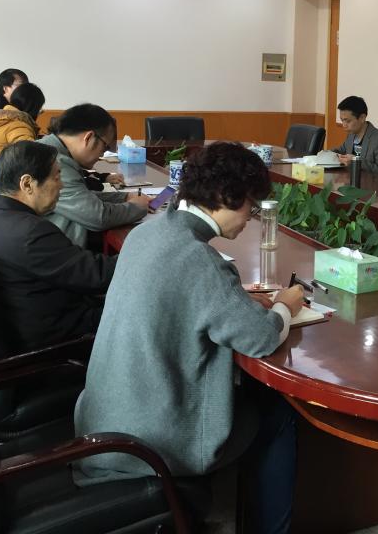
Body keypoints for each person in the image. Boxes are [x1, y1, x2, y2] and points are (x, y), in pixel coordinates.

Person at [74, 142, 306, 533]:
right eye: (250, 207)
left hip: (104, 418)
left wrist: (236, 300)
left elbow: (191, 297)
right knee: (279, 415)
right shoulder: (201, 261)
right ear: (226, 198)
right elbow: (262, 339)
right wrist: (285, 306)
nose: (250, 219)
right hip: (146, 442)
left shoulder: (148, 232)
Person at [0, 141, 116, 352]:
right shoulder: (29, 233)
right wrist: (145, 249)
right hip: (63, 342)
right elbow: (98, 276)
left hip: (29, 324)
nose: (61, 186)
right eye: (56, 177)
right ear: (27, 184)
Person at [38, 104, 150, 247]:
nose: (102, 154)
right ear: (88, 137)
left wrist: (124, 197)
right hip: (57, 252)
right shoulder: (55, 163)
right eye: (105, 147)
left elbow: (81, 196)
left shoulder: (49, 149)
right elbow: (98, 217)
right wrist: (137, 207)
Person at [0, 82, 46, 191]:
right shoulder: (17, 124)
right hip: (0, 188)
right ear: (33, 107)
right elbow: (31, 157)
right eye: (39, 109)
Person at [331, 95, 378, 176]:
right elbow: (340, 150)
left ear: (362, 118)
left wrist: (356, 162)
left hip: (370, 183)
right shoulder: (351, 134)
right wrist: (328, 154)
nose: (344, 125)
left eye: (348, 121)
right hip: (350, 180)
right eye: (342, 120)